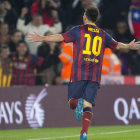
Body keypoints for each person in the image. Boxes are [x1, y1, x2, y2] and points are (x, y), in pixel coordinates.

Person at [26, 6, 140, 140]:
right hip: (94, 75)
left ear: (85, 16)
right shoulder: (103, 34)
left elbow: (60, 37)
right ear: (96, 18)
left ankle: (78, 102)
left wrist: (42, 38)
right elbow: (117, 45)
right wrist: (129, 46)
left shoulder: (78, 30)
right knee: (88, 105)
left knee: (72, 103)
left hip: (79, 72)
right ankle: (83, 133)